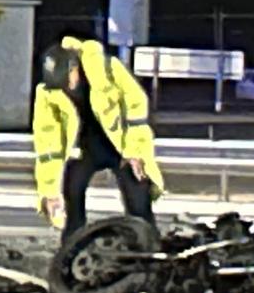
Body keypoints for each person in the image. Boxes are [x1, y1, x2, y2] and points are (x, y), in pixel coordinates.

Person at [32, 35, 163, 243]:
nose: (67, 89)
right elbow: (48, 144)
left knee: (138, 201)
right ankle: (72, 250)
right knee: (72, 195)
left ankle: (150, 246)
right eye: (60, 86)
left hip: (121, 145)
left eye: (68, 82)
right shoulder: (48, 92)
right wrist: (48, 191)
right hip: (83, 150)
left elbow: (137, 107)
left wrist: (135, 153)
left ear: (75, 67)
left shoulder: (108, 68)